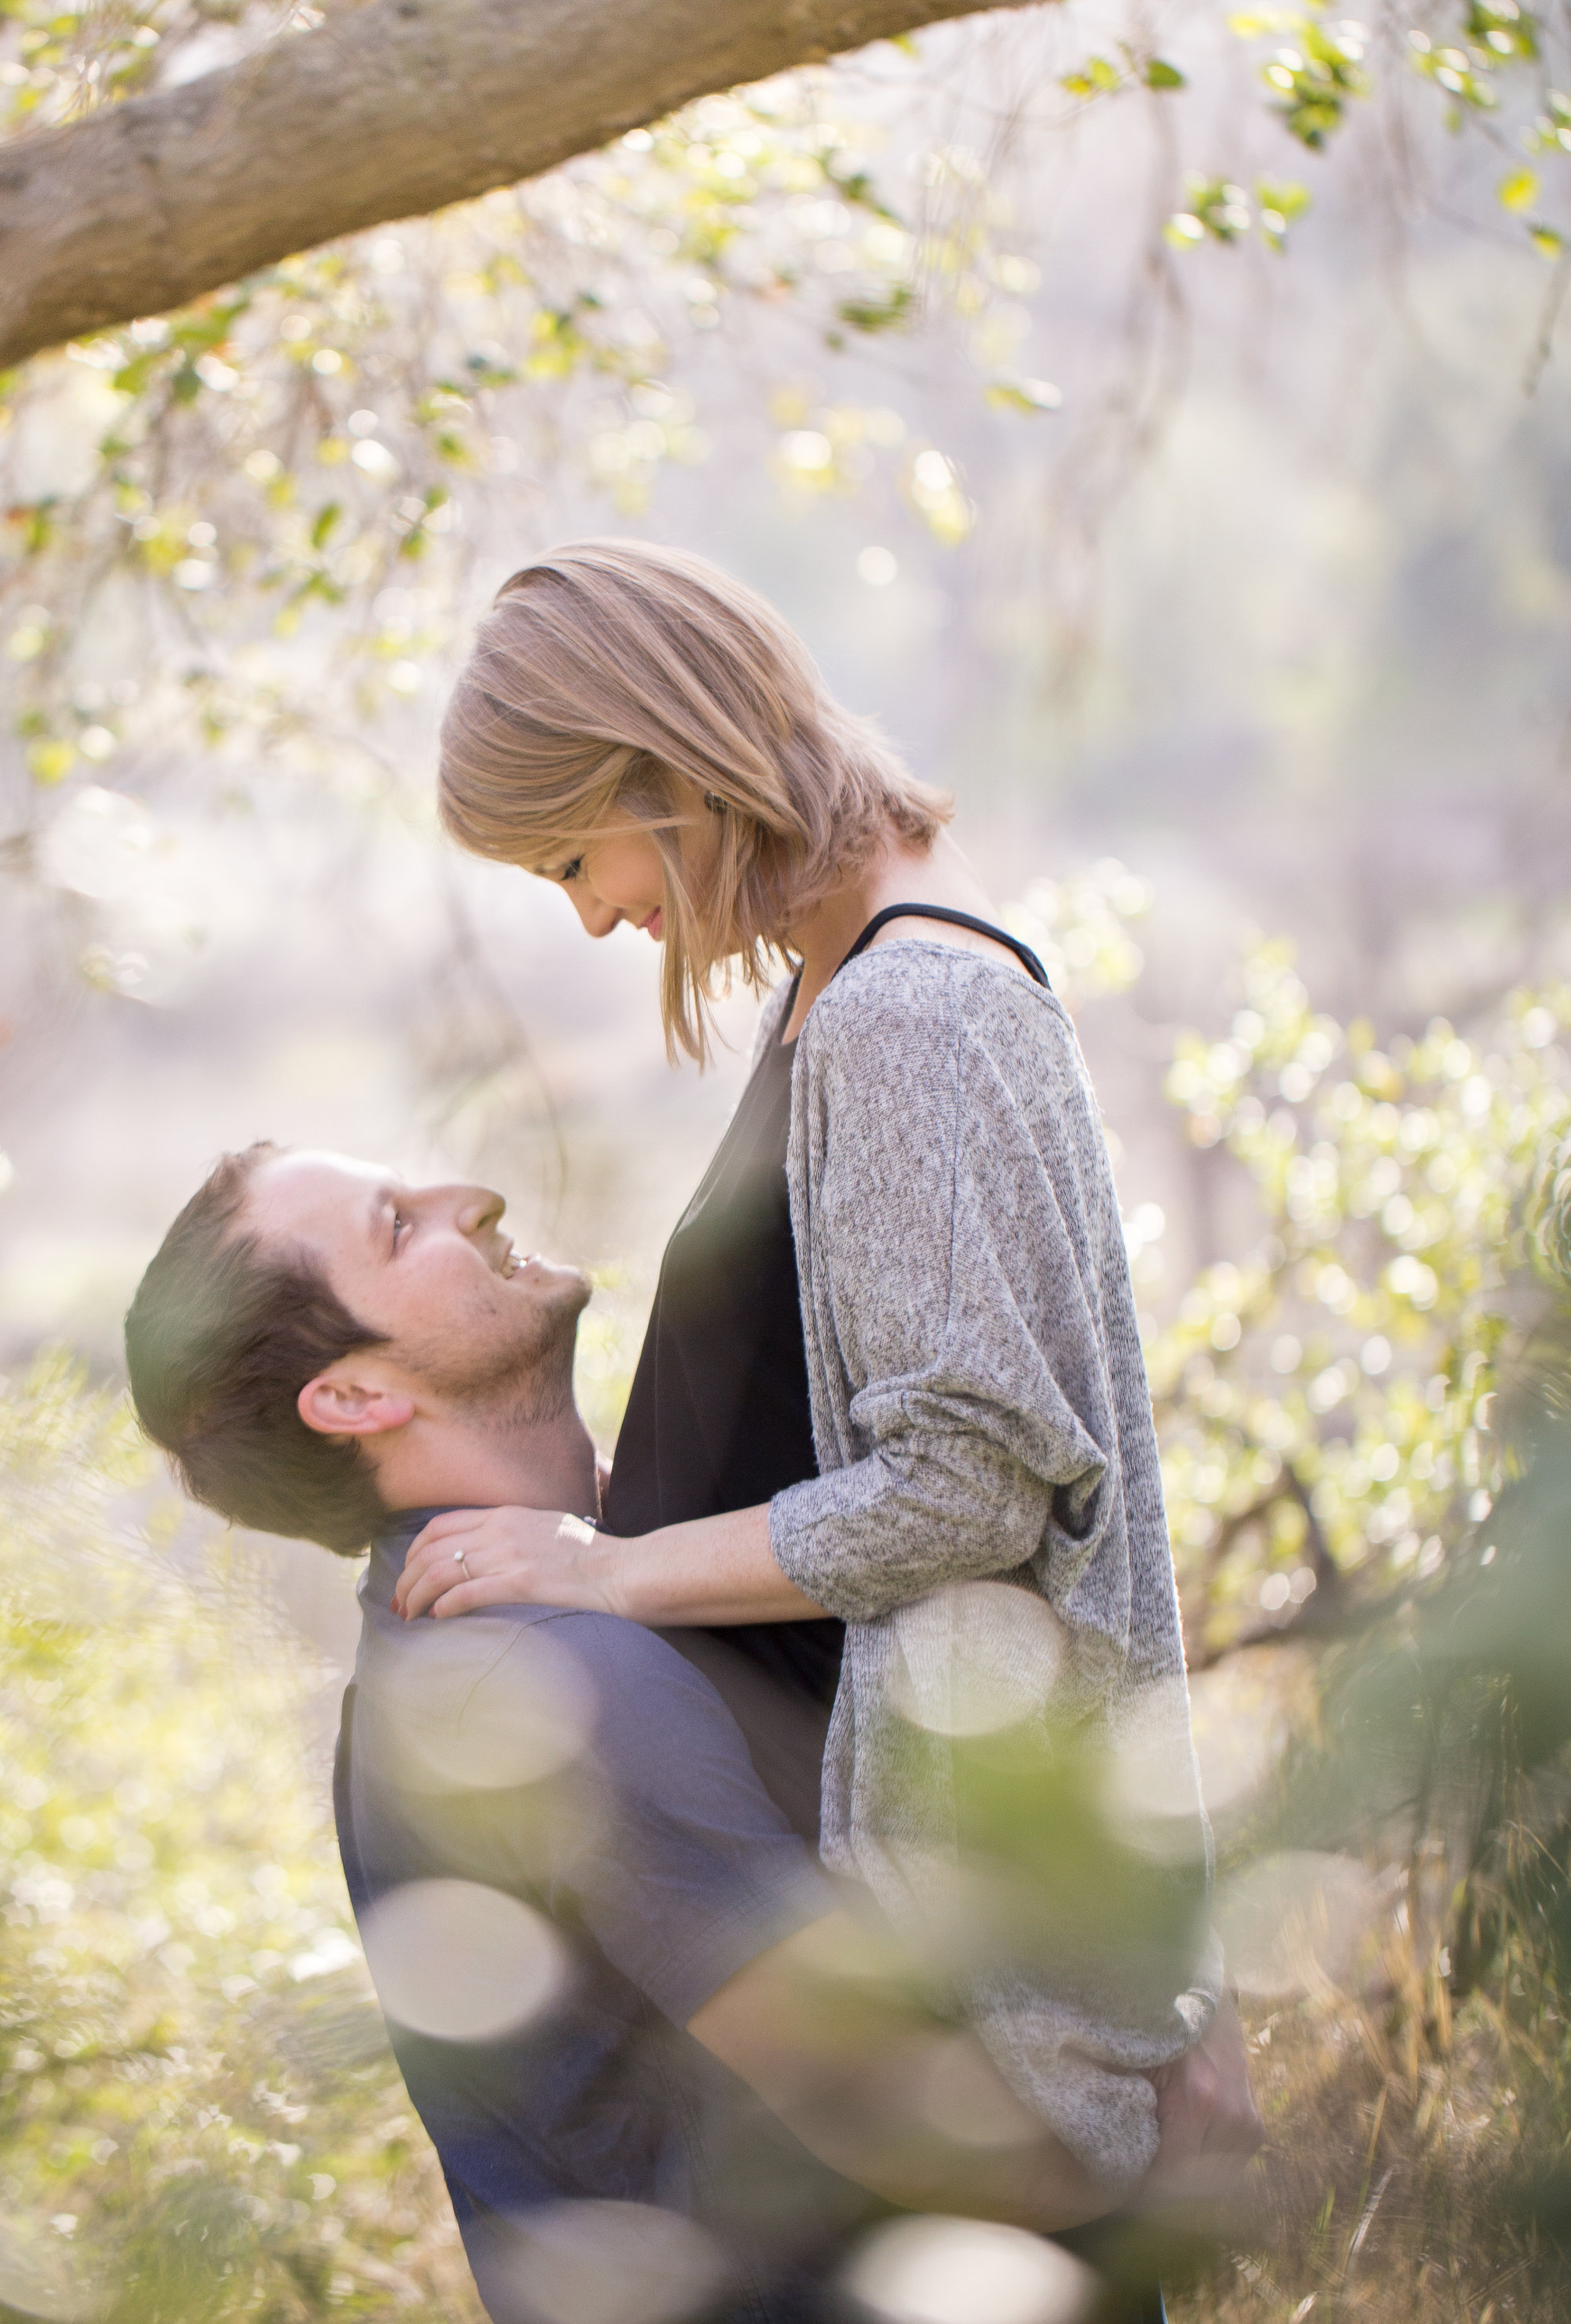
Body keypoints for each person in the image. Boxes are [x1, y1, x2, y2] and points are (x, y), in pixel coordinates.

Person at [417, 538, 1242, 2193]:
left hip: (974, 2002)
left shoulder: (902, 1015)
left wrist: (611, 1574)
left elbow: (971, 1491)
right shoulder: (848, 992)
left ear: (666, 769)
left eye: (572, 859)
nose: (591, 920)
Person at [123, 1145, 1258, 2324]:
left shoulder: (550, 1605)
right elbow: (896, 2108)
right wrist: (1162, 2155)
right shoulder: (550, 1679)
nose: (474, 1196)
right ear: (354, 1398)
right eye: (401, 1225)